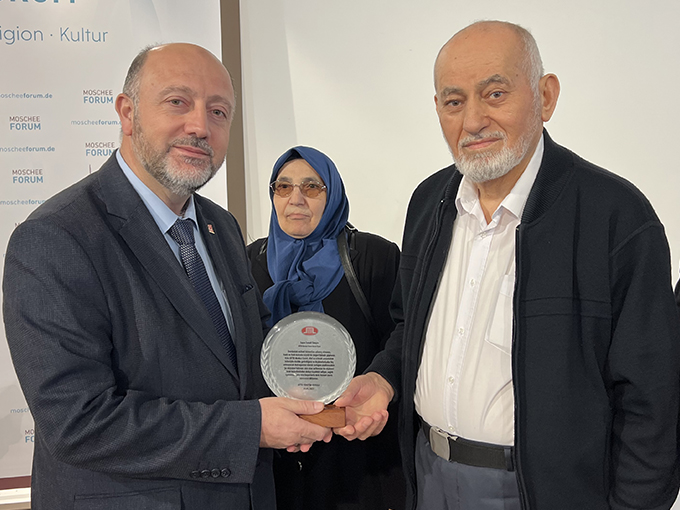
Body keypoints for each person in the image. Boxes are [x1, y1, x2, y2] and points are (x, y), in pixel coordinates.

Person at [334, 20, 680, 510]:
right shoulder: (429, 203)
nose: (473, 121)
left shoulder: (616, 217)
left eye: (495, 94)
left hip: (544, 493)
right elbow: (410, 325)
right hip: (429, 474)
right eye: (454, 102)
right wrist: (384, 378)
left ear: (545, 96)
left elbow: (651, 397)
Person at [2, 43, 333, 510]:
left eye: (218, 111)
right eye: (178, 102)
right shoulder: (56, 237)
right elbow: (78, 421)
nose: (200, 126)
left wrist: (326, 400)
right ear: (127, 112)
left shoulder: (221, 225)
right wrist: (252, 428)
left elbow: (246, 360)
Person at [247, 146, 406, 510]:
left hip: (357, 452)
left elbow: (402, 338)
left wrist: (381, 386)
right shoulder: (249, 262)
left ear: (332, 194)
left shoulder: (373, 257)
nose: (296, 199)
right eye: (283, 187)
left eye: (311, 187)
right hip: (278, 455)